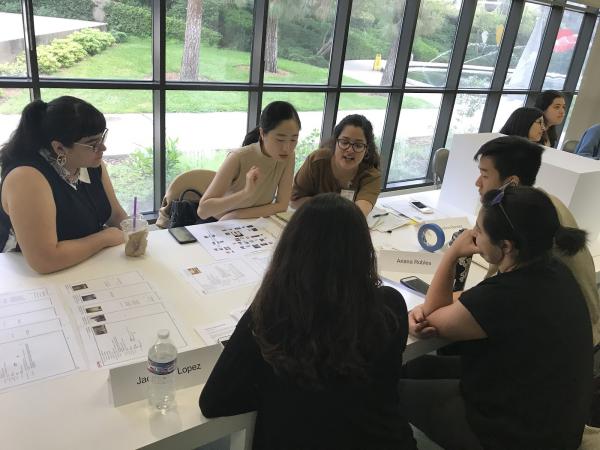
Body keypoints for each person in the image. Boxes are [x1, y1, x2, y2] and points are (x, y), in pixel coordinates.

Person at [200, 193, 416, 450]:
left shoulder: (274, 313)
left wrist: (273, 392)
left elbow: (214, 401)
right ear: (363, 250)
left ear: (290, 252)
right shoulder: (390, 306)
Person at [404, 185, 592, 449]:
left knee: (392, 392)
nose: (472, 235)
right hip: (551, 420)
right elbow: (477, 302)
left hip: (515, 435)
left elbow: (434, 314)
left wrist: (453, 252)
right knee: (416, 366)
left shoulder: (504, 296)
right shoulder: (552, 271)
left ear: (506, 246)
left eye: (479, 231)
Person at [472, 136, 600, 346]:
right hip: (572, 326)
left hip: (568, 338)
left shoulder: (521, 222)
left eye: (484, 175)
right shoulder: (540, 203)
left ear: (511, 182)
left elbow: (489, 292)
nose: (478, 183)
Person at [0, 96, 127, 274]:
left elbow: (115, 215)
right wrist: (104, 238)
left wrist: (136, 232)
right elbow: (44, 260)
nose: (103, 148)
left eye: (102, 137)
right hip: (29, 278)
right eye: (93, 144)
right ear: (59, 148)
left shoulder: (89, 163)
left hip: (86, 264)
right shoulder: (26, 178)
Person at [197, 101, 300, 221]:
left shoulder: (288, 157)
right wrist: (245, 193)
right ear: (262, 133)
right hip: (218, 224)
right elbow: (203, 211)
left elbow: (282, 205)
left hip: (250, 221)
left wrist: (236, 215)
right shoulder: (238, 157)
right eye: (280, 140)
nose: (287, 148)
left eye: (293, 140)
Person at [291, 114, 381, 216]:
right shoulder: (316, 161)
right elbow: (294, 201)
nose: (350, 150)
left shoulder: (371, 176)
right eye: (344, 142)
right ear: (335, 142)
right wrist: (331, 208)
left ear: (367, 149)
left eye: (358, 145)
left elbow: (358, 215)